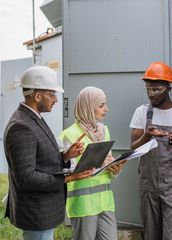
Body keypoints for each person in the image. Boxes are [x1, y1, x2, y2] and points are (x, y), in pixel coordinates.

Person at [3, 66, 94, 240]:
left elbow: (39, 161)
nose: (56, 100)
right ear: (37, 96)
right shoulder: (21, 126)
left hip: (43, 210)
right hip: (36, 213)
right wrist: (70, 177)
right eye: (52, 94)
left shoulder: (33, 118)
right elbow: (26, 178)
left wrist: (66, 156)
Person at [129, 62, 172, 240]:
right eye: (148, 90)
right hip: (148, 186)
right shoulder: (141, 112)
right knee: (150, 235)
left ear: (168, 88)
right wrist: (147, 135)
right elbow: (133, 147)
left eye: (156, 90)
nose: (151, 94)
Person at [58, 86, 127, 240]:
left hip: (105, 203)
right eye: (101, 105)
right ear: (88, 107)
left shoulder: (104, 131)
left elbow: (107, 165)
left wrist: (115, 169)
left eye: (105, 104)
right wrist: (100, 163)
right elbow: (70, 171)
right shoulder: (71, 134)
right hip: (83, 205)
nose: (106, 109)